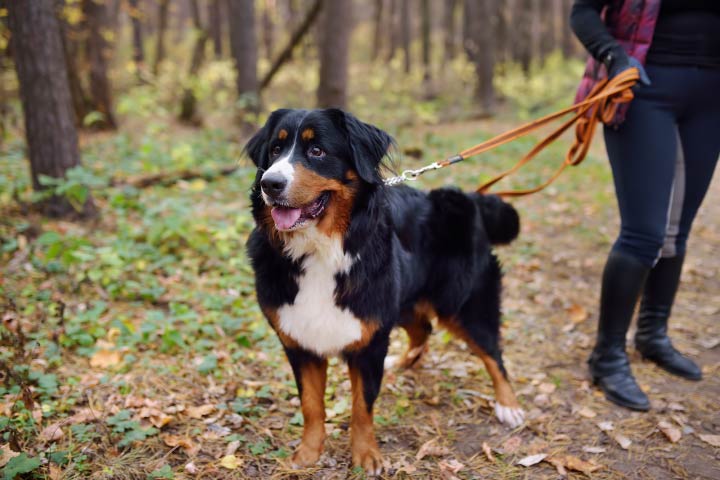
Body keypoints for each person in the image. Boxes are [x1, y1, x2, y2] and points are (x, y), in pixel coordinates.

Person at [570, 0, 720, 410]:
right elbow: (582, 11)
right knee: (644, 233)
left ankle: (653, 335)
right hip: (642, 87)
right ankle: (607, 357)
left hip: (711, 95)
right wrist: (614, 57)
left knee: (677, 229)